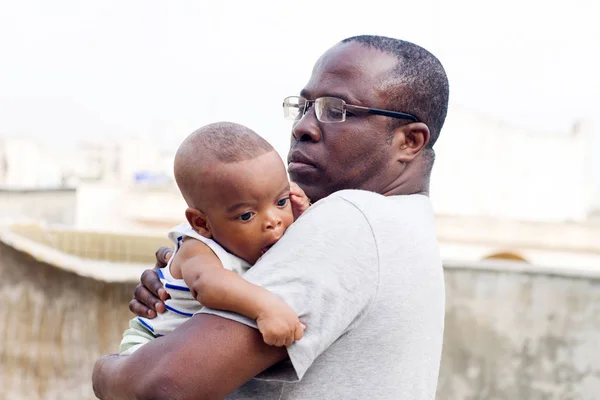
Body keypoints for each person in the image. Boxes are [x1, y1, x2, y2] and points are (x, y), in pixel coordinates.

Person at [93, 34, 450, 400]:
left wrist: (105, 371)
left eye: (336, 109)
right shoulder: (403, 224)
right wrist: (186, 285)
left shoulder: (352, 219)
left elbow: (164, 386)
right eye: (305, 106)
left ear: (410, 141)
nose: (303, 127)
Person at [119, 122, 310, 355]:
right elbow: (207, 285)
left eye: (281, 202)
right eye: (247, 215)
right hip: (146, 346)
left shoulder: (252, 241)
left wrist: (304, 217)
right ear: (201, 224)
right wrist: (266, 308)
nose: (274, 221)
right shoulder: (197, 249)